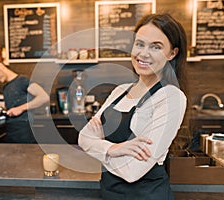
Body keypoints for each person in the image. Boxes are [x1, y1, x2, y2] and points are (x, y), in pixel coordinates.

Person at [78, 13, 187, 199]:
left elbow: (132, 171)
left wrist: (99, 148)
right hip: (109, 193)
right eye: (139, 44)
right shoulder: (120, 91)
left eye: (156, 47)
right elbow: (84, 138)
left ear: (172, 53)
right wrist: (114, 149)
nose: (143, 53)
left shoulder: (171, 97)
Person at [0, 58, 49, 143]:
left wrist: (20, 108)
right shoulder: (6, 87)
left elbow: (44, 97)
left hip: (25, 133)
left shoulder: (22, 80)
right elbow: (14, 105)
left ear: (1, 66)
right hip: (11, 133)